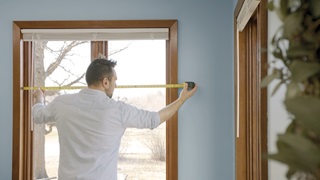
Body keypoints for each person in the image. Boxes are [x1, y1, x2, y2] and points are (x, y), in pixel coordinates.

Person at [32, 57, 197, 180]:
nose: (116, 85)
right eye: (114, 80)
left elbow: (38, 116)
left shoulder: (62, 103)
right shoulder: (118, 110)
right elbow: (155, 119)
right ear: (105, 82)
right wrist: (182, 99)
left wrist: (39, 98)